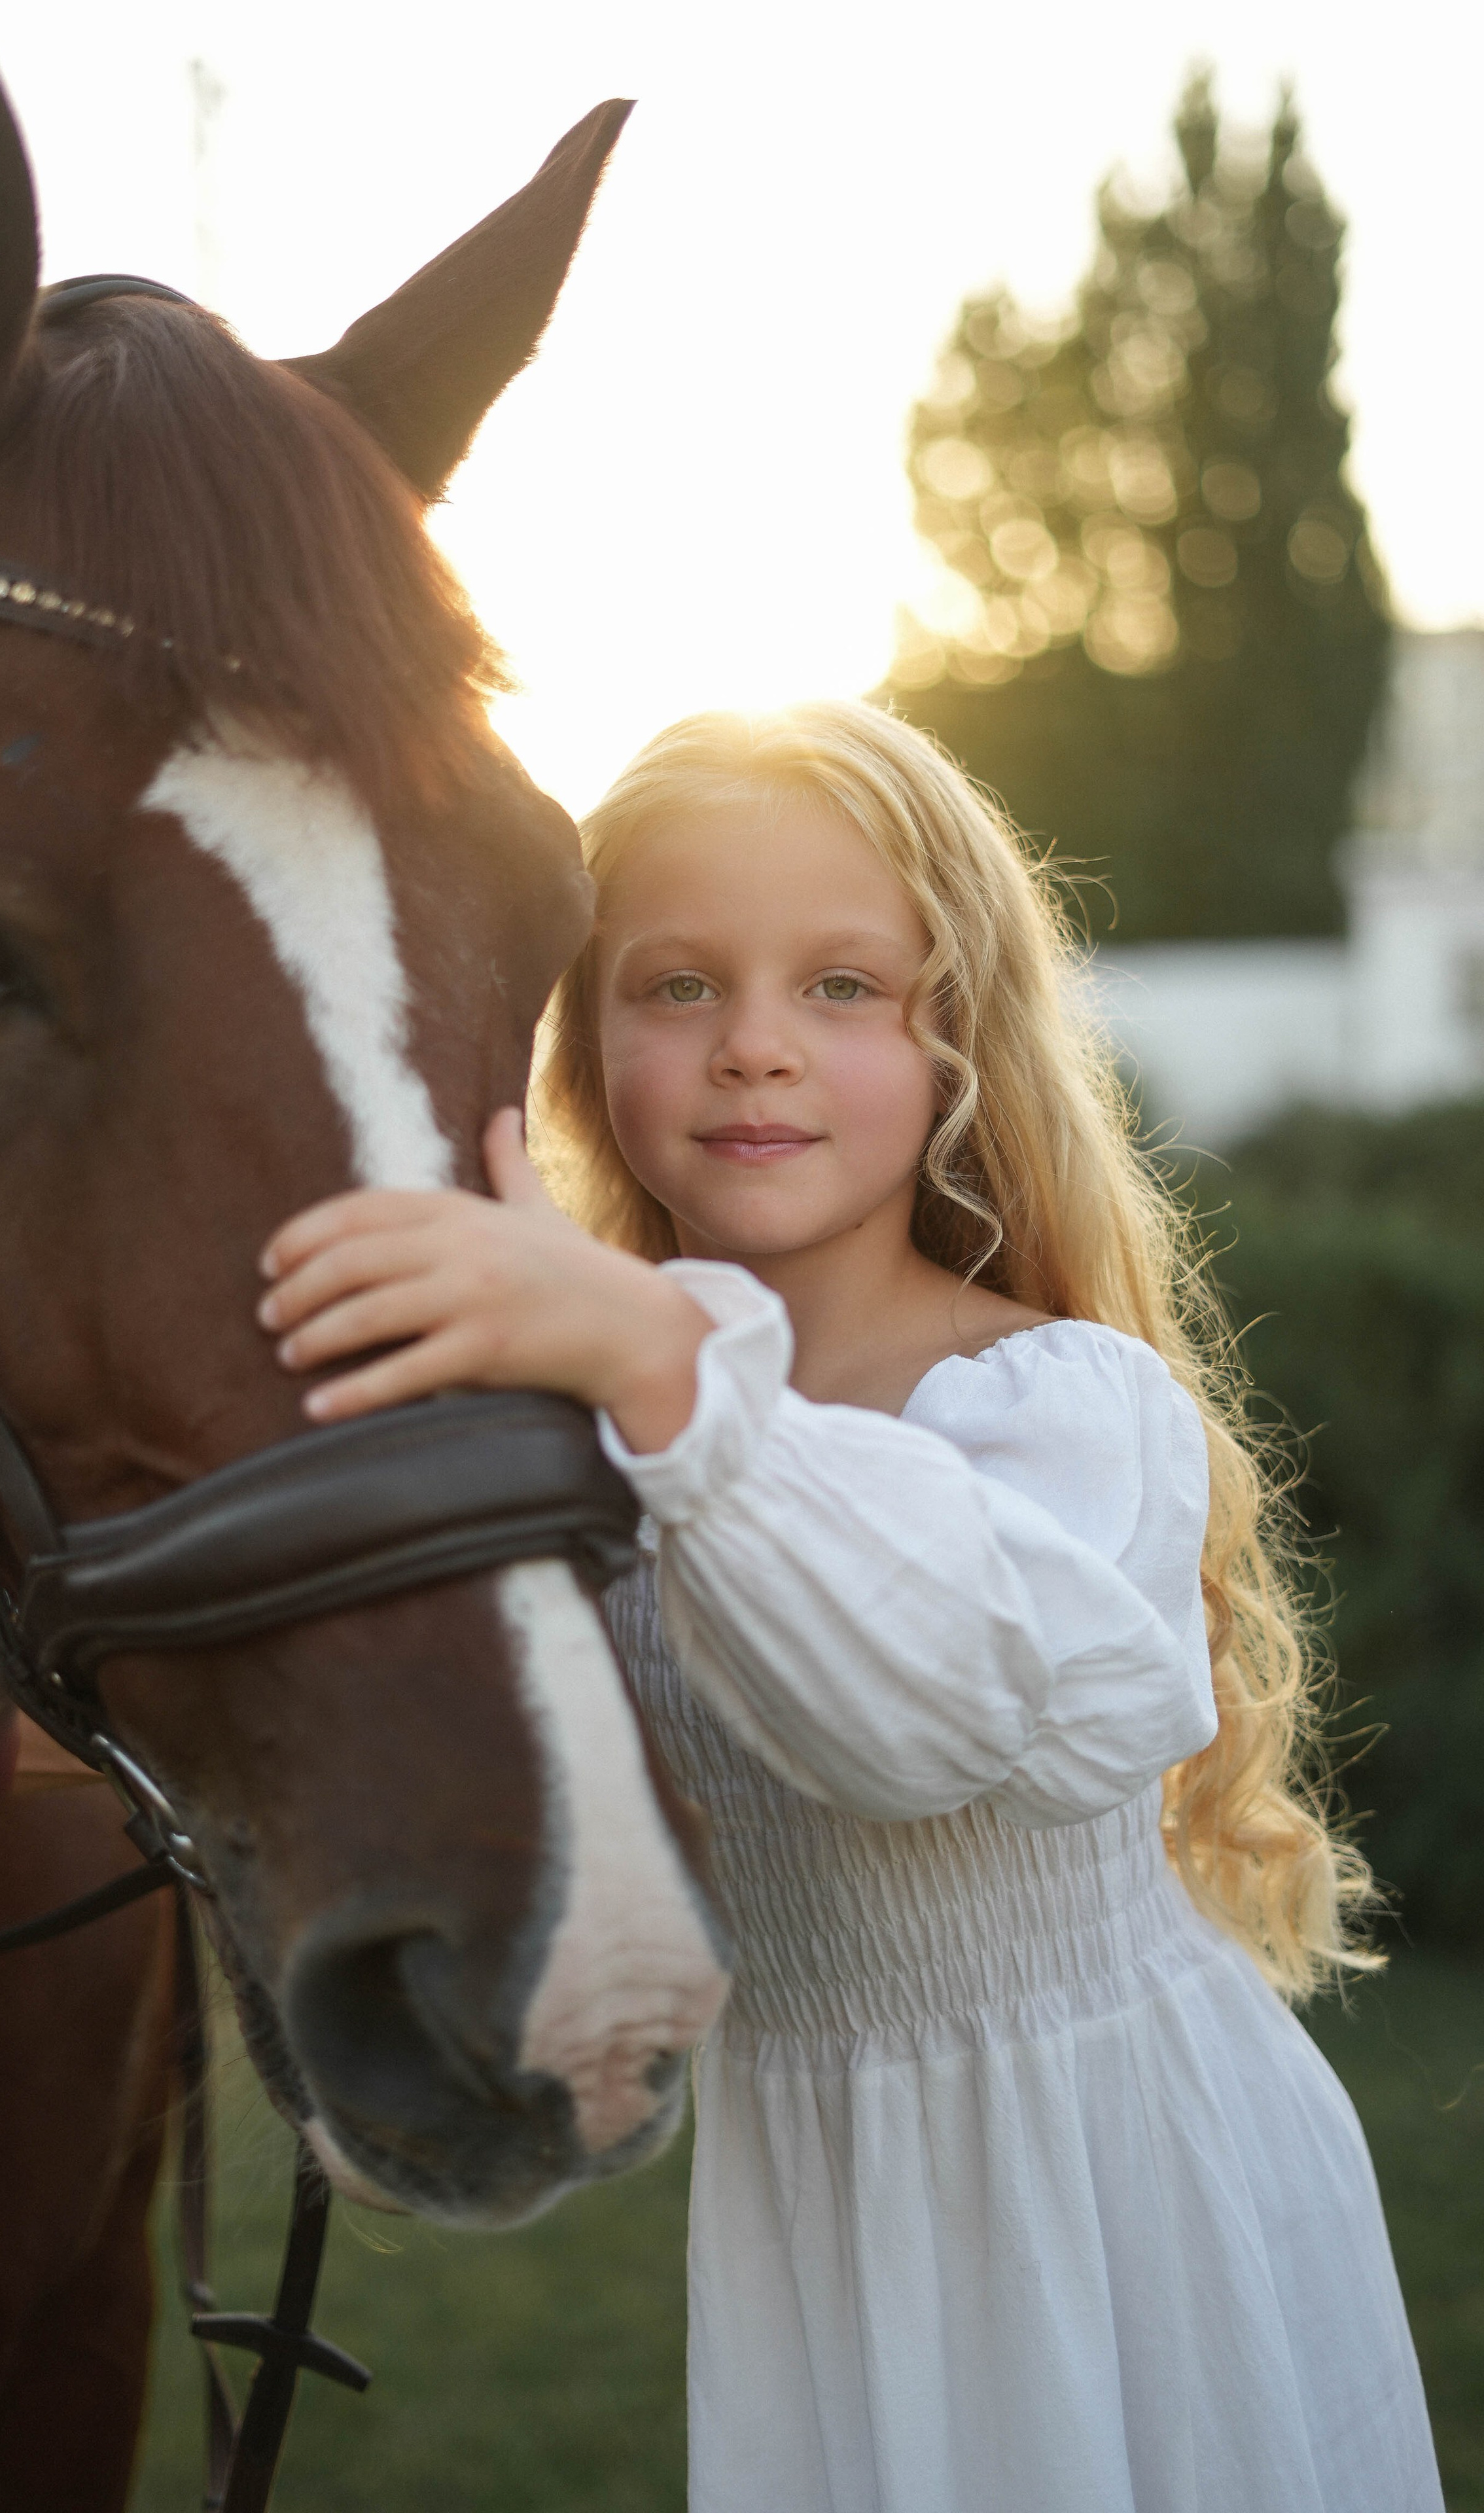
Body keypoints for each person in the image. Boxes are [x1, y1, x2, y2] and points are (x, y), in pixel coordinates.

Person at [255, 700, 1440, 2513]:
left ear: (958, 1036)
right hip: (817, 2214)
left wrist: (655, 1371)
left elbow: (936, 1709)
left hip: (1118, 2192)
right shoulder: (597, 1451)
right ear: (584, 1053)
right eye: (674, 987)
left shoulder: (1061, 1406)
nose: (751, 1051)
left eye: (841, 988)